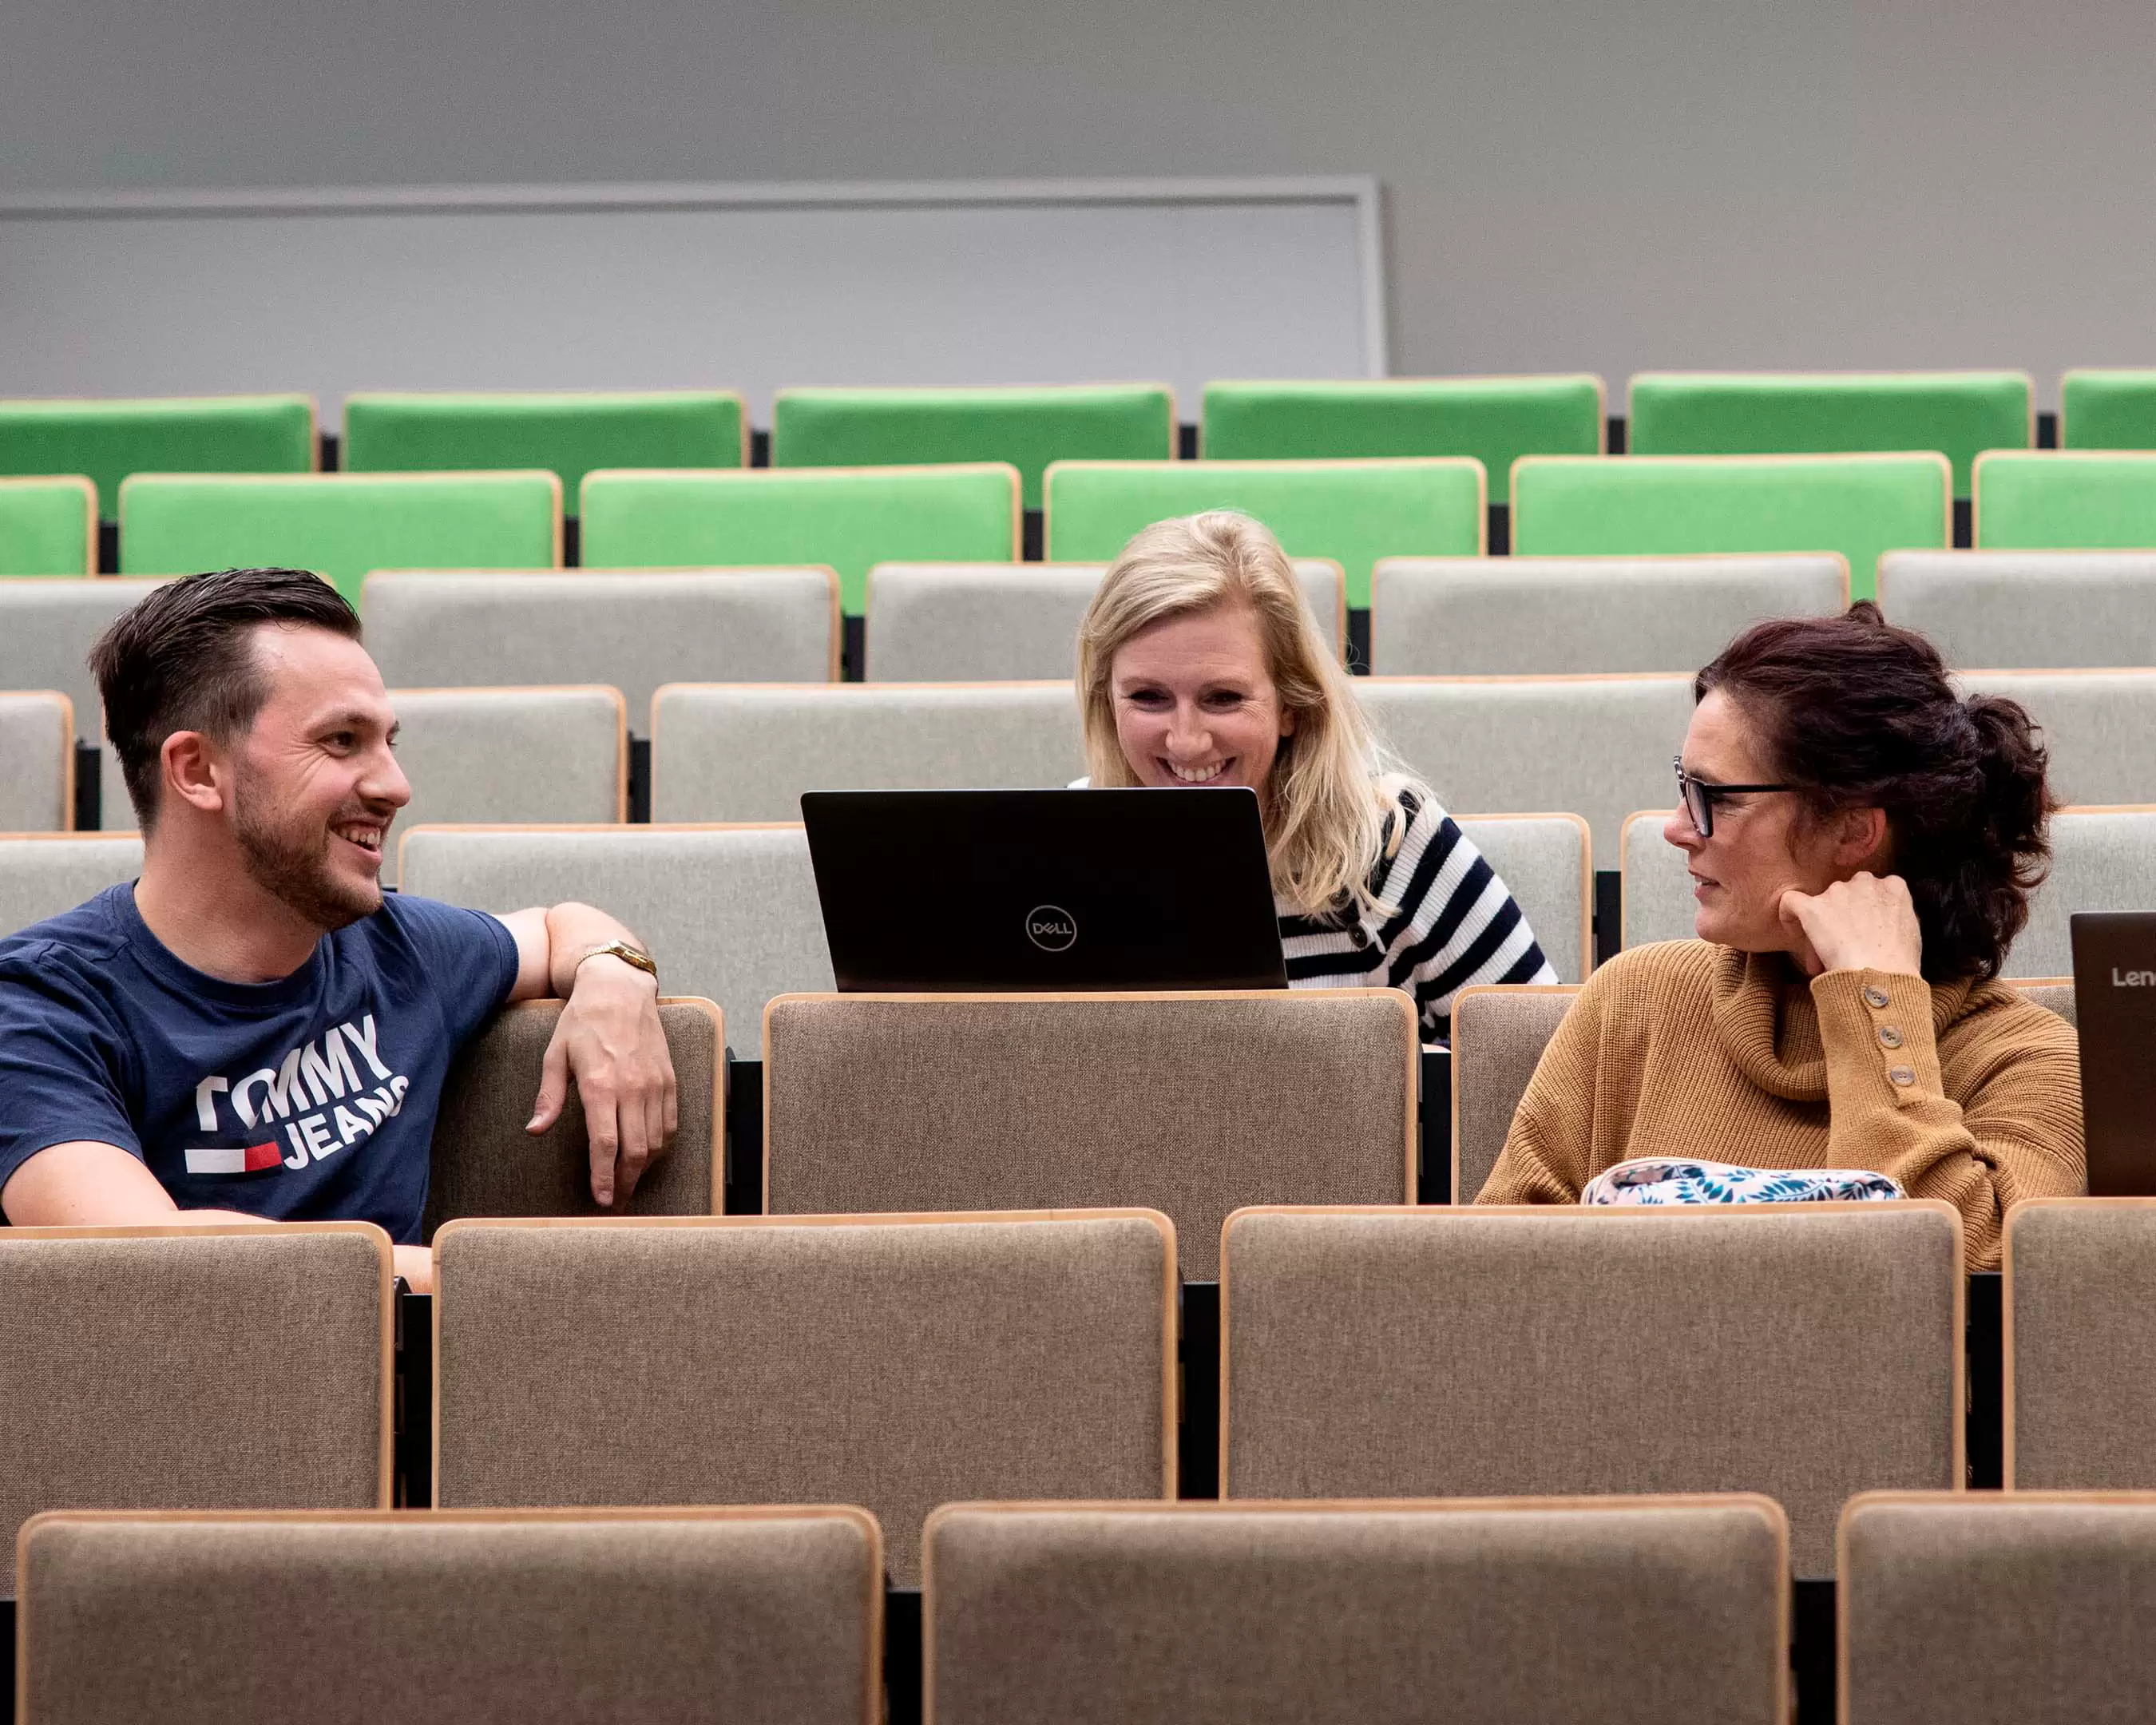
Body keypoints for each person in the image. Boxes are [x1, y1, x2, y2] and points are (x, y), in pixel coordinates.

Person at [0, 568, 677, 1291]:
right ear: (196, 770)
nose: (395, 785)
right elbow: (147, 1257)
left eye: (388, 741)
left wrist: (615, 973)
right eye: (342, 741)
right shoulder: (39, 1006)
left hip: (415, 1392)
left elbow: (556, 928)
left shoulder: (399, 946)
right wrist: (532, 1284)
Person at [1476, 601, 2085, 1268]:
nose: (1677, 828)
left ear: (1854, 831)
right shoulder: (1636, 1001)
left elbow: (1970, 1286)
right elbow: (1495, 1292)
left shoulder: (2034, 1064)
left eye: (1716, 796)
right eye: (1684, 786)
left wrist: (1874, 1002)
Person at [1075, 511, 1556, 1041]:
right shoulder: (1059, 848)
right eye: (1148, 698)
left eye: (1224, 698)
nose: (1186, 739)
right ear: (1106, 701)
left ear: (1292, 705)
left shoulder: (1391, 844)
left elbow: (1539, 1068)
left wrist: (1402, 1082)